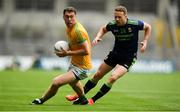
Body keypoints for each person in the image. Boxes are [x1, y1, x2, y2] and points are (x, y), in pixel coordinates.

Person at [65, 5, 151, 105]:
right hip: (115, 54)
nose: (117, 19)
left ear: (126, 16)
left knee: (113, 77)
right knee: (97, 75)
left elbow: (148, 27)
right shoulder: (112, 24)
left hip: (128, 58)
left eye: (119, 17)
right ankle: (78, 96)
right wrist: (97, 37)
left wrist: (145, 41)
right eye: (115, 17)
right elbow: (103, 28)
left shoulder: (135, 24)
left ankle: (93, 100)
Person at [31, 6, 92, 105]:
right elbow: (74, 45)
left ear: (75, 16)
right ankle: (83, 99)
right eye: (67, 17)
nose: (69, 19)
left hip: (83, 67)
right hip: (75, 63)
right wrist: (66, 51)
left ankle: (41, 100)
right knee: (73, 82)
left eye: (71, 16)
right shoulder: (69, 29)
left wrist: (67, 53)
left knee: (56, 82)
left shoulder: (78, 31)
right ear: (63, 17)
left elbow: (86, 51)